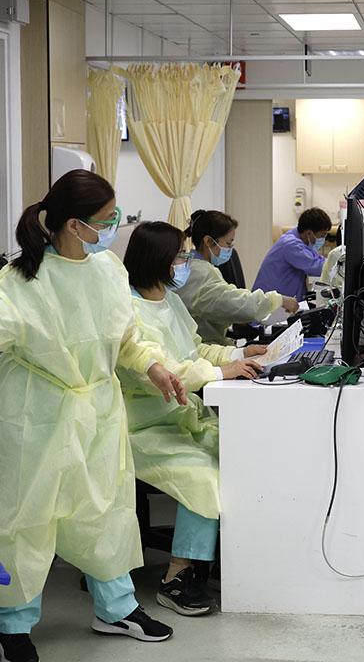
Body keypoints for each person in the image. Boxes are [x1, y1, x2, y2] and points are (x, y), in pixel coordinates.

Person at [0, 171, 185, 662]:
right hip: (34, 414)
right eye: (107, 220)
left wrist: (154, 366)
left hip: (97, 413)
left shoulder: (108, 270)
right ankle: (13, 625)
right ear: (74, 225)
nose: (114, 228)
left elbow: (127, 335)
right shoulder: (23, 281)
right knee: (24, 521)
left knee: (105, 511)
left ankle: (116, 609)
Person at [119, 221, 266, 617]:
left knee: (240, 456)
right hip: (141, 426)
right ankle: (177, 577)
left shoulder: (169, 300)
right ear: (158, 260)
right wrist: (220, 372)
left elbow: (194, 349)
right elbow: (160, 373)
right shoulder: (127, 311)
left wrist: (239, 354)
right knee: (203, 475)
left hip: (180, 417)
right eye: (181, 257)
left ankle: (215, 558)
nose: (186, 263)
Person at [178, 209, 298, 345]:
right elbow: (233, 302)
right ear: (208, 241)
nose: (230, 249)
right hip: (203, 345)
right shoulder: (199, 273)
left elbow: (226, 297)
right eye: (228, 244)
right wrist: (277, 300)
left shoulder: (197, 267)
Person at [252, 207, 333, 299]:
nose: (323, 239)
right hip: (269, 303)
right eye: (322, 235)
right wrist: (338, 262)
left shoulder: (299, 239)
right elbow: (317, 267)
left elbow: (316, 259)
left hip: (281, 298)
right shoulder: (291, 245)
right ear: (309, 233)